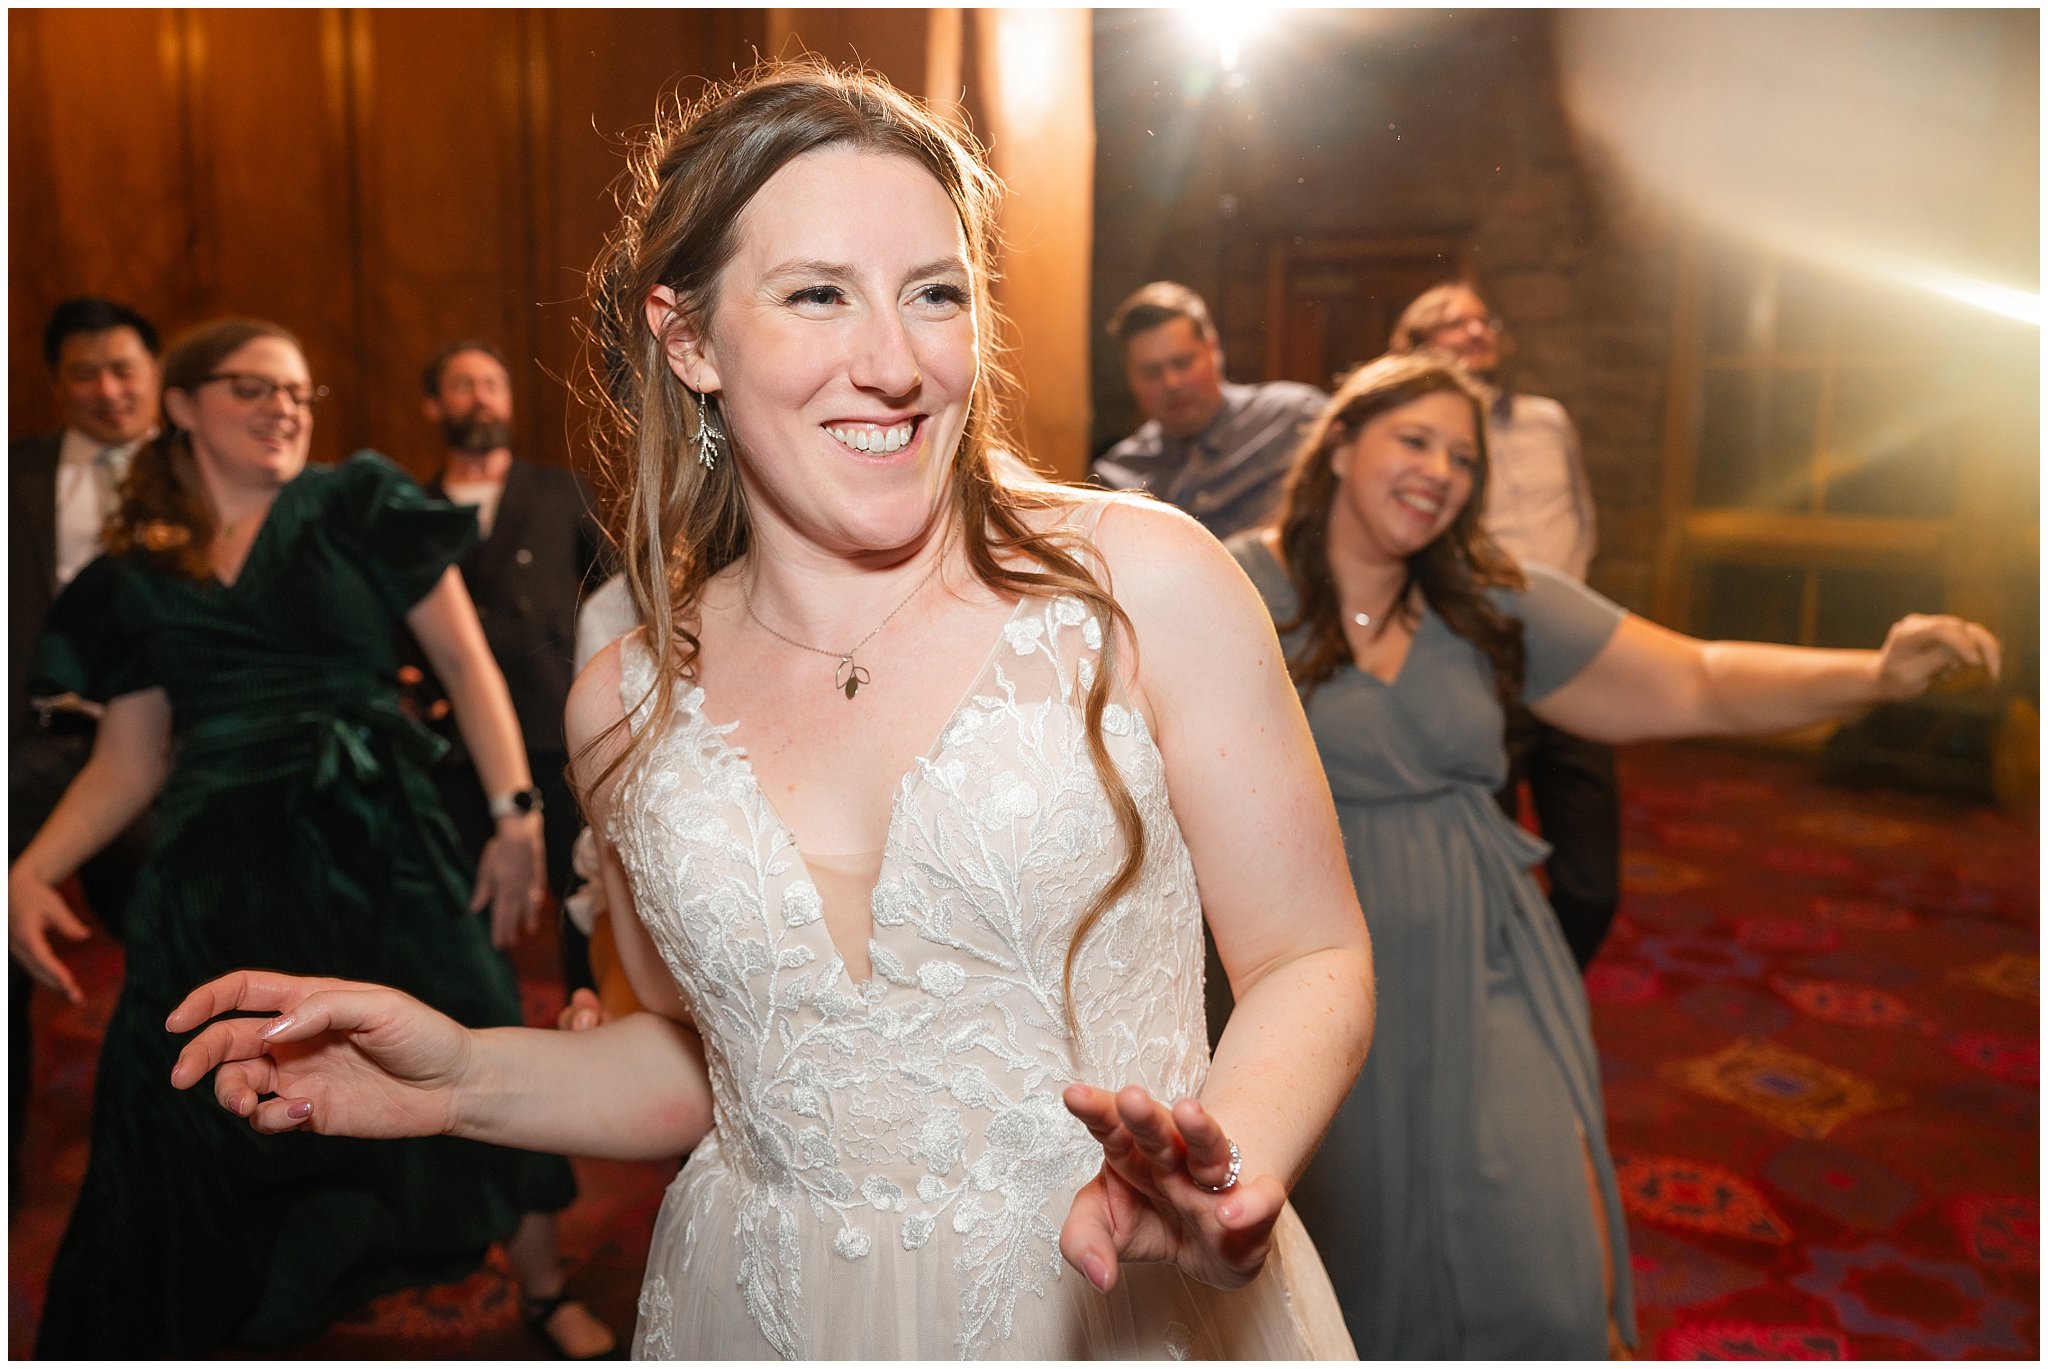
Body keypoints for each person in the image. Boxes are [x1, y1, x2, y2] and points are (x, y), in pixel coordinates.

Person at [167, 63, 1375, 1360]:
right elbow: (722, 1074)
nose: (896, 363)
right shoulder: (624, 701)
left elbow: (1311, 956)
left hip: (1119, 1304)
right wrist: (465, 1074)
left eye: (935, 295)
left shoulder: (1143, 583)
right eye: (817, 295)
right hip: (762, 1303)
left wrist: (1224, 1169)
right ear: (687, 339)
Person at [1229, 351, 2002, 1358]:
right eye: (1411, 439)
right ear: (1339, 442)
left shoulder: (1491, 602)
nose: (1437, 470)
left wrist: (1875, 674)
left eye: (1461, 457)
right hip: (1307, 967)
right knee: (1340, 1256)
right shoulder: (1237, 587)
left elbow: (1701, 678)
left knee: (1541, 1264)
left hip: (1485, 957)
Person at [6, 317, 615, 1357]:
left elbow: (468, 671)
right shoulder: (142, 568)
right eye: (252, 388)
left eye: (296, 391)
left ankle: (544, 1287)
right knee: (187, 1088)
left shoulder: (357, 504)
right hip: (218, 868)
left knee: (475, 1028)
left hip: (384, 837)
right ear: (184, 407)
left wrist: (515, 814)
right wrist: (30, 867)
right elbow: (127, 759)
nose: (284, 406)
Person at [1391, 282, 1621, 967]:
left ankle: (1544, 975)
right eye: (1449, 324)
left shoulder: (1549, 419)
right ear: (1414, 348)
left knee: (1591, 887)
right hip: (1477, 662)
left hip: (1569, 661)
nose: (1473, 331)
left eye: (1480, 320)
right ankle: (1491, 992)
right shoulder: (1420, 441)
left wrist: (1565, 604)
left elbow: (1582, 515)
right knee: (1483, 869)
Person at [7, 296, 163, 1206]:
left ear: (155, 378)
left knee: (173, 937)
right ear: (56, 384)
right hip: (26, 743)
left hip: (154, 755)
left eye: (123, 371)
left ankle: (165, 1154)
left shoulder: (202, 474)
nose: (106, 391)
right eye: (83, 374)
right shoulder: (14, 474)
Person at [410, 338, 609, 995]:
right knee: (462, 900)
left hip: (556, 719)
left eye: (494, 383)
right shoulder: (410, 509)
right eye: (464, 385)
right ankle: (479, 1014)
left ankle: (590, 1006)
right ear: (434, 406)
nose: (482, 397)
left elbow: (616, 593)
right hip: (455, 742)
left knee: (581, 885)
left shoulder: (562, 489)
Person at [1094, 281, 1327, 541]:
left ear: (1213, 349)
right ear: (1130, 378)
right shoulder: (1115, 476)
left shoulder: (1293, 420)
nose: (1172, 383)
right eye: (1151, 373)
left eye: (1182, 363)